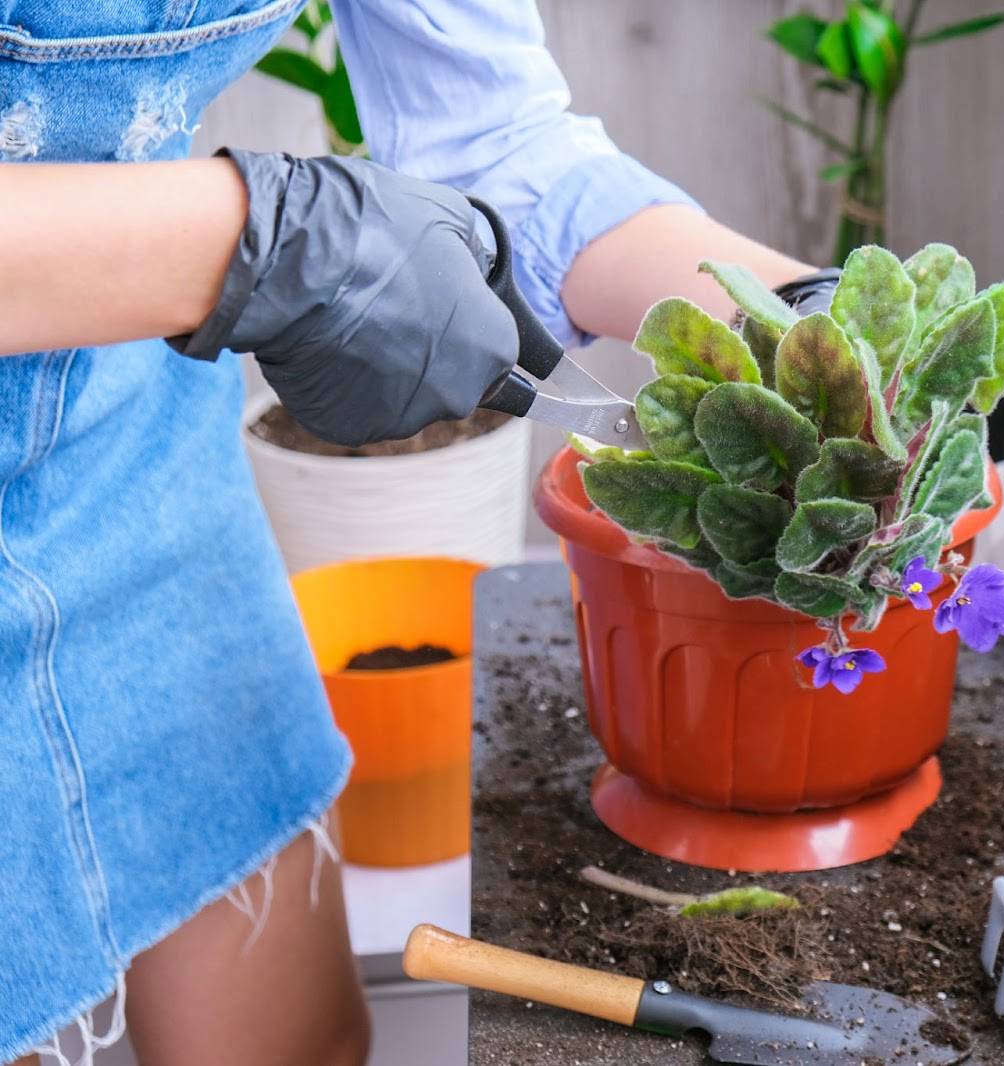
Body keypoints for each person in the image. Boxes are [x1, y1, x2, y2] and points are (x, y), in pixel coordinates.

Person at [0, 2, 818, 1063]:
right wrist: (255, 239)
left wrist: (796, 324)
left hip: (120, 438)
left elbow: (496, 139)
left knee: (293, 1044)